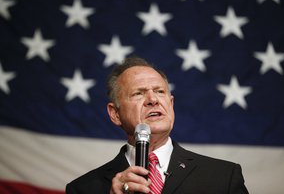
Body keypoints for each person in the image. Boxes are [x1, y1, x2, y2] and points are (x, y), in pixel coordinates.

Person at [66, 57, 249, 194]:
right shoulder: (83, 189)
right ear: (115, 114)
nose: (153, 100)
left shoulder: (223, 177)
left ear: (171, 103)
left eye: (160, 92)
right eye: (138, 93)